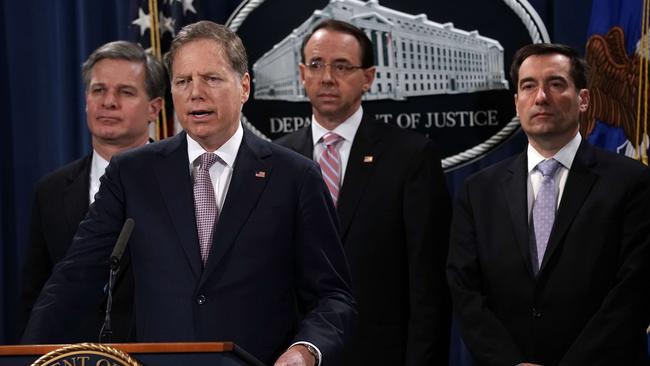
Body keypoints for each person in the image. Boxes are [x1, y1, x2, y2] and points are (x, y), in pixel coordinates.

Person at [22, 21, 355, 366]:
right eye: (183, 81)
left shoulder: (294, 176)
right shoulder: (132, 173)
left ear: (244, 87)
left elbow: (333, 297)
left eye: (211, 79)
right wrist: (29, 358)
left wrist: (304, 351)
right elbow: (73, 278)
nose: (196, 93)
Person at [447, 43, 650, 366]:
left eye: (556, 84)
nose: (541, 97)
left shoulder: (631, 182)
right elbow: (465, 291)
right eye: (528, 86)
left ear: (583, 99)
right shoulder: (478, 191)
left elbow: (635, 290)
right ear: (517, 103)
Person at [276, 19, 451, 366]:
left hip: (380, 355)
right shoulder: (275, 159)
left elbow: (428, 284)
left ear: (368, 77)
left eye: (341, 66)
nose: (327, 77)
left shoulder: (410, 156)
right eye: (316, 65)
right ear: (301, 73)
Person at [21, 40, 165, 341]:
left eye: (125, 92)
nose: (108, 102)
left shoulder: (181, 182)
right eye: (99, 90)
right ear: (86, 99)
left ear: (154, 108)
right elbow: (36, 295)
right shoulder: (50, 191)